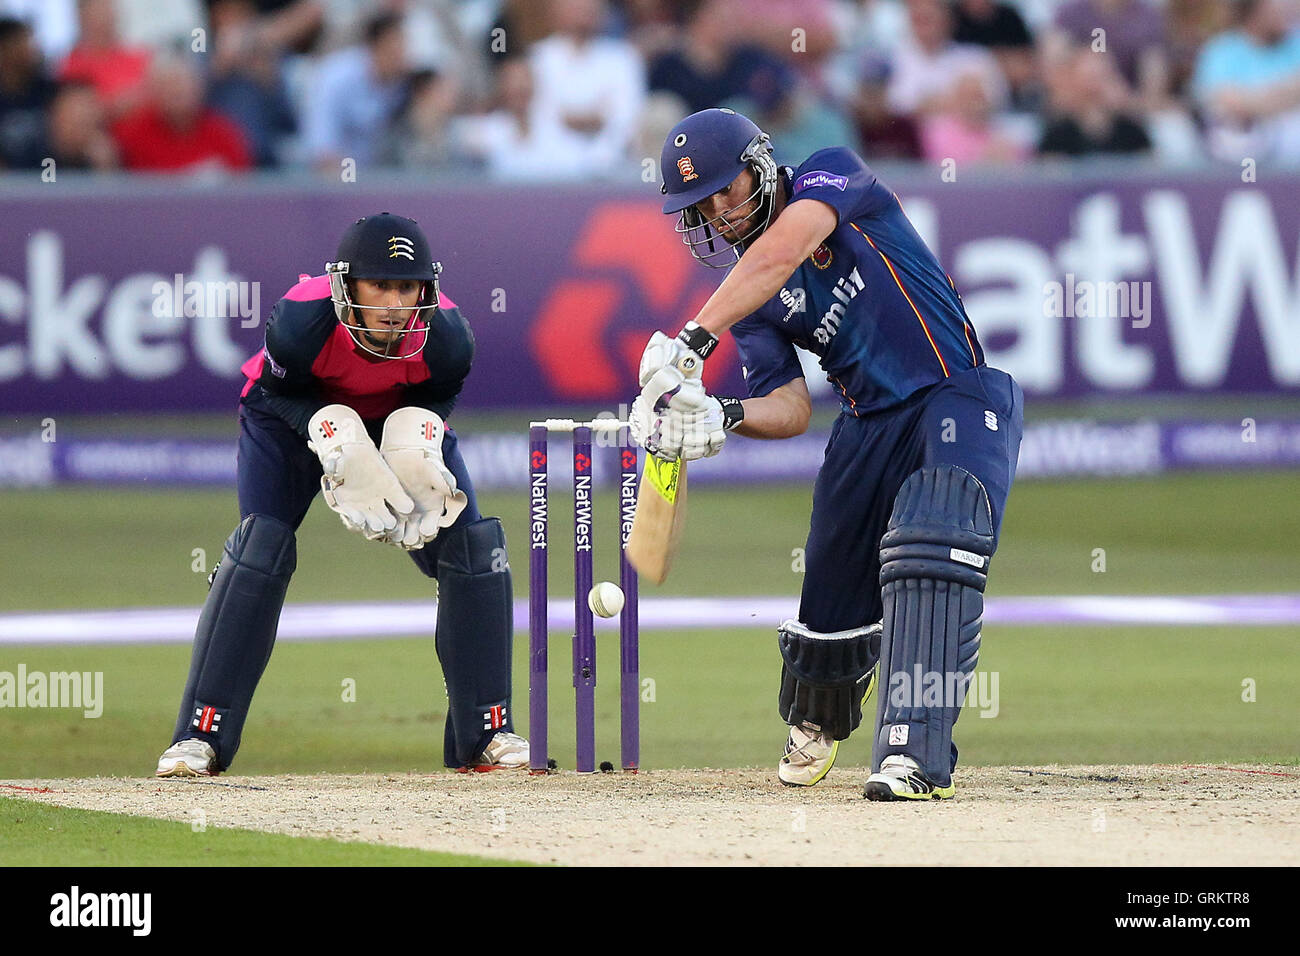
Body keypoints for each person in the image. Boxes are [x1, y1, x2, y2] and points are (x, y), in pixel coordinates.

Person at [631, 109, 1023, 800]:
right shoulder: (748, 304)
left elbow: (782, 251)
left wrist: (691, 342)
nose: (721, 212)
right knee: (829, 594)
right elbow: (789, 408)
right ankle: (819, 716)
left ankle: (914, 751)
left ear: (761, 163)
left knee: (935, 533)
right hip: (866, 423)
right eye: (704, 205)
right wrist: (721, 416)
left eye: (728, 189)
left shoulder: (830, 174)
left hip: (954, 393)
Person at [156, 212, 527, 777]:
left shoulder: (450, 338)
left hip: (393, 423)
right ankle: (197, 738)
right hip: (289, 422)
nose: (394, 303)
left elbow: (440, 396)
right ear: (346, 284)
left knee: (474, 553)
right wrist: (330, 430)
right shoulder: (301, 320)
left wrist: (414, 437)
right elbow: (276, 389)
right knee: (260, 552)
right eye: (379, 285)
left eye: (407, 287)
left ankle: (486, 734)